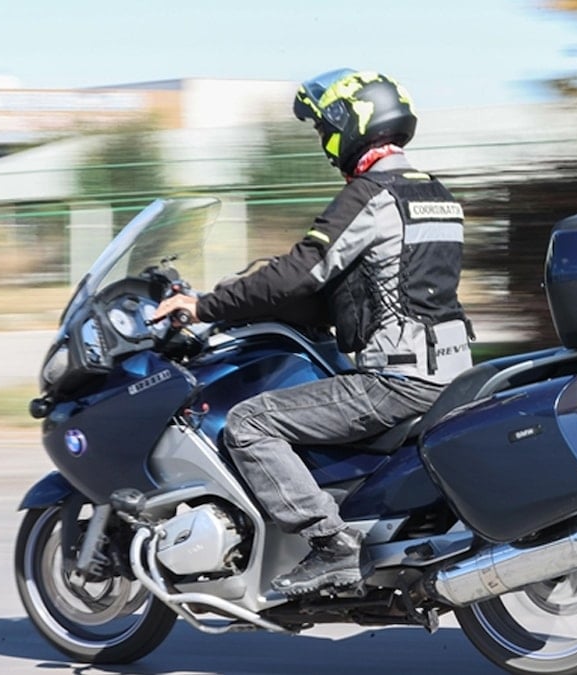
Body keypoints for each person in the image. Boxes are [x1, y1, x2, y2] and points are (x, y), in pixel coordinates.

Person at [154, 69, 473, 596]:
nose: (324, 139)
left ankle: (329, 543)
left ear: (352, 124)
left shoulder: (371, 195)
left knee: (249, 423)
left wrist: (204, 305)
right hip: (453, 370)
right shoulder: (435, 194)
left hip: (397, 379)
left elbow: (299, 272)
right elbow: (374, 283)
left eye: (325, 126)